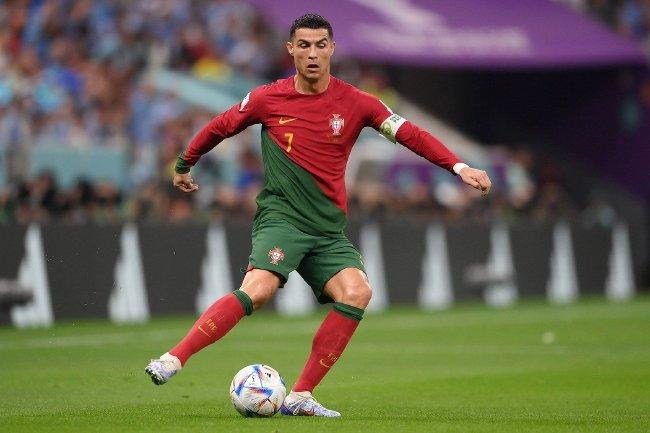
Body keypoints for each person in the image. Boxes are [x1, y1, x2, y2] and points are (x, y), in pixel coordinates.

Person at [145, 13, 491, 417]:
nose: (312, 54)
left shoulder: (358, 102)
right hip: (283, 219)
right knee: (258, 289)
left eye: (320, 45)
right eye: (304, 45)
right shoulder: (267, 98)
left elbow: (410, 134)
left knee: (357, 292)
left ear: (332, 49)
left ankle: (300, 396)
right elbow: (221, 126)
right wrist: (184, 163)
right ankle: (174, 358)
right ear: (291, 49)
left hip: (327, 230)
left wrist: (458, 167)